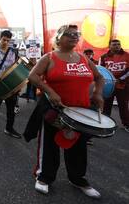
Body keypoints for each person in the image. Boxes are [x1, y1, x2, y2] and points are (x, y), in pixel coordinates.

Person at [27, 24, 104, 198]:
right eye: (68, 34)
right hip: (56, 110)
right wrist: (51, 92)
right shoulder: (49, 57)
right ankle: (44, 177)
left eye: (76, 34)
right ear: (58, 38)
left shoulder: (84, 59)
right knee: (50, 145)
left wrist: (98, 94)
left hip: (81, 112)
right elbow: (32, 76)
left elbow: (99, 77)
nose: (74, 36)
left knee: (78, 146)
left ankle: (77, 178)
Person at [0, 30, 21, 138]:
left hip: (11, 84)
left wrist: (18, 85)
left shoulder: (14, 51)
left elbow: (17, 68)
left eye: (8, 40)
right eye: (4, 39)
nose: (5, 42)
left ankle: (9, 128)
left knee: (11, 109)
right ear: (0, 39)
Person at [99, 39, 129, 132]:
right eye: (114, 44)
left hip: (123, 85)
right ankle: (105, 124)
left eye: (118, 44)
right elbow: (101, 70)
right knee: (106, 105)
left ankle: (126, 124)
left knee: (123, 105)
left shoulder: (127, 55)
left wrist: (121, 79)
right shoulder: (104, 57)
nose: (117, 46)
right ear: (110, 46)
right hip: (109, 85)